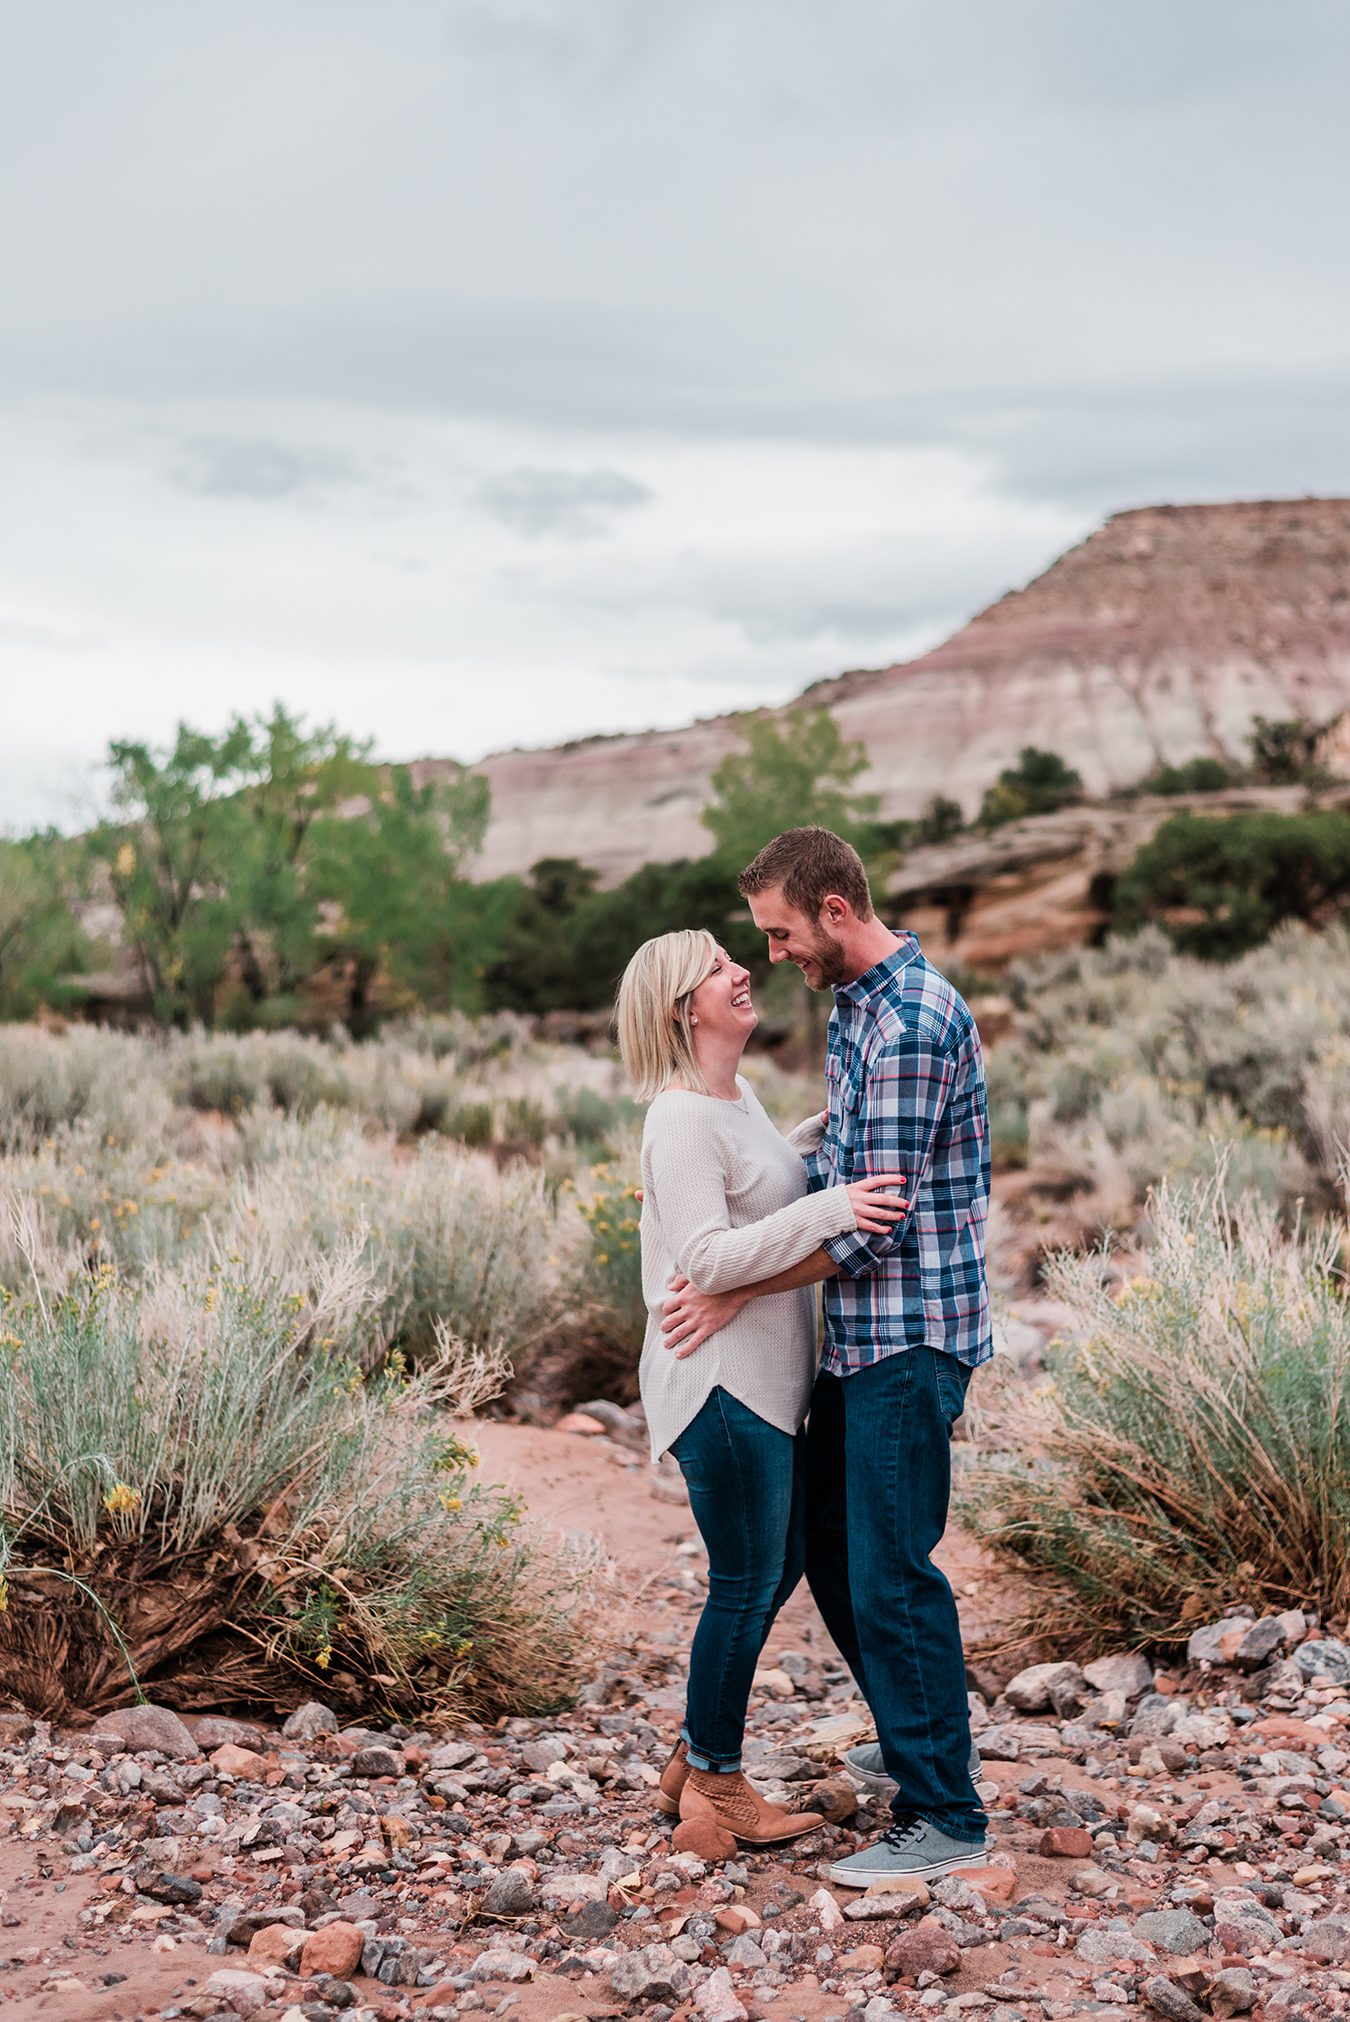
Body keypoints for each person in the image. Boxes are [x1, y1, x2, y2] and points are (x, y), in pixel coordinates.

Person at [659, 827, 994, 1885]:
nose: (775, 955)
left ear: (836, 911)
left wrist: (734, 1291)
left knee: (891, 1574)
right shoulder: (859, 1007)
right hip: (860, 1345)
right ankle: (914, 1752)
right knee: (847, 1567)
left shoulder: (906, 1023)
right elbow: (842, 1165)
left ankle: (945, 1817)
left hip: (907, 1338)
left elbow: (865, 1228)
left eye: (782, 932)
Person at [616, 927, 910, 1847]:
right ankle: (715, 1783)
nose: (741, 969)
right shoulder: (680, 1117)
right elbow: (704, 1256)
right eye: (716, 967)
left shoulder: (732, 1096)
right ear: (682, 1008)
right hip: (719, 1388)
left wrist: (814, 1143)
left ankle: (692, 1759)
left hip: (760, 1387)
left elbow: (746, 1192)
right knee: (746, 1584)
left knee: (767, 1571)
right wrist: (833, 1206)